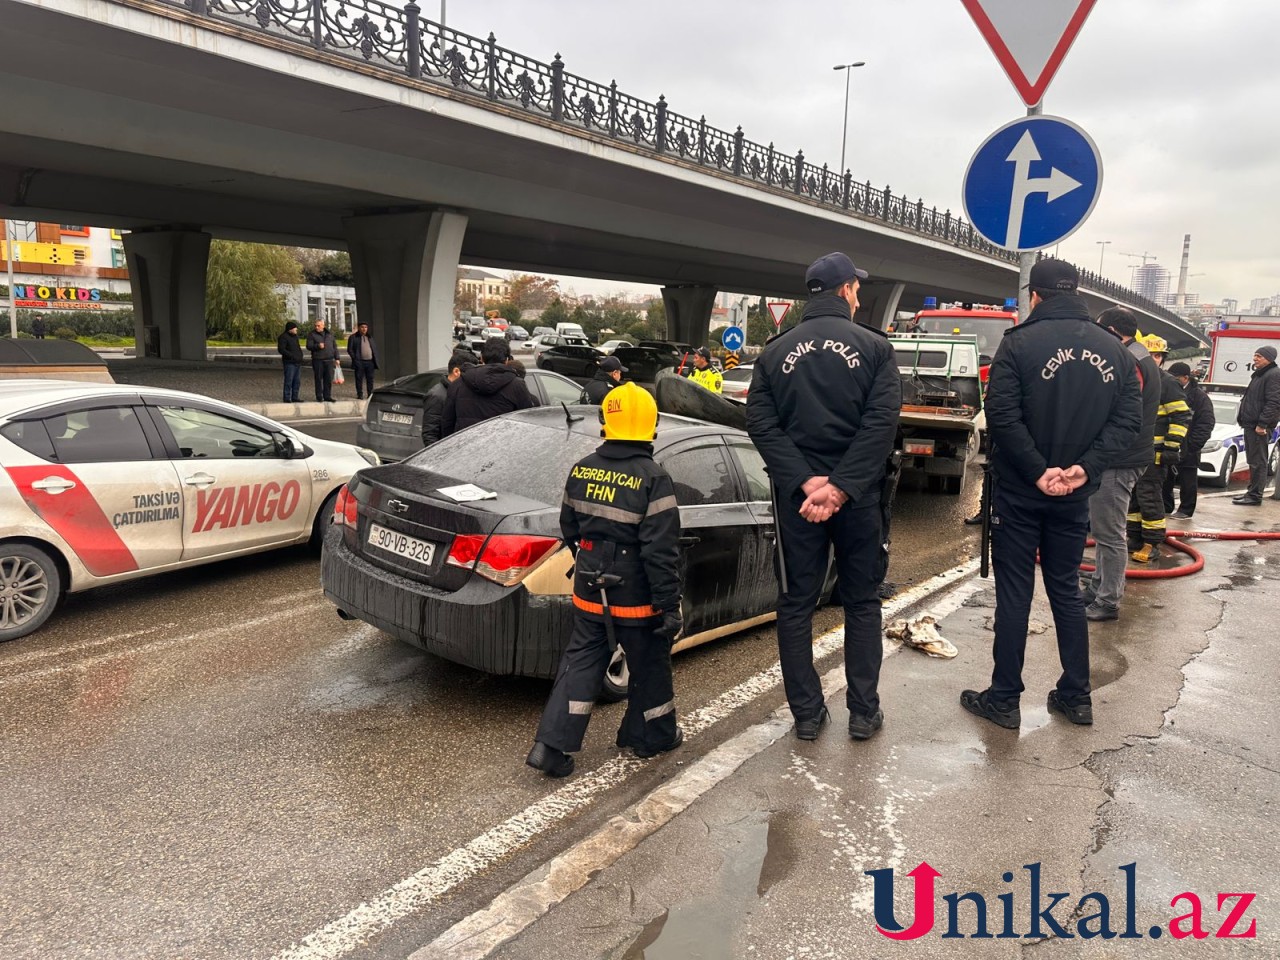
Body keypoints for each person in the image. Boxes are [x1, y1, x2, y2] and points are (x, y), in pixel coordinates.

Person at [961, 258, 1141, 730]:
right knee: (1064, 590)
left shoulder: (1018, 345)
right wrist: (1084, 469)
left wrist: (1039, 471)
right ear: (1075, 291)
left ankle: (1003, 699)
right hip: (1074, 496)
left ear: (1034, 296)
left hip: (1021, 491)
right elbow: (1126, 424)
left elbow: (1001, 416)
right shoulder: (1117, 352)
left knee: (1015, 593)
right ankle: (1076, 696)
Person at [747, 252, 901, 742]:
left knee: (796, 604)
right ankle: (863, 712)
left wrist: (806, 482)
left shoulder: (774, 353)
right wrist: (840, 487)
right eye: (857, 287)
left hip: (798, 500)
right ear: (847, 291)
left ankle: (807, 716)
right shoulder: (875, 349)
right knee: (860, 603)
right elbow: (880, 426)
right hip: (857, 499)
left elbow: (761, 424)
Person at [527, 382, 683, 777]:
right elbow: (660, 552)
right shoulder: (653, 478)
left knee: (580, 663)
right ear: (651, 426)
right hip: (636, 594)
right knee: (649, 663)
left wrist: (590, 557)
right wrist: (668, 605)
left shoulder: (582, 468)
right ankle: (650, 736)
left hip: (589, 587)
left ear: (606, 423)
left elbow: (569, 527)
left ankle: (551, 746)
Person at [1078, 307, 1160, 621]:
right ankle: (1098, 587)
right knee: (1103, 529)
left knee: (1110, 532)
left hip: (1119, 458)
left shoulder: (1129, 361)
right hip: (1124, 455)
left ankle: (1108, 600)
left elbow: (1119, 410)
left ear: (1112, 330)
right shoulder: (1137, 355)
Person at [1126, 335, 1190, 562]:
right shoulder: (1134, 378)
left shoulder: (1168, 383)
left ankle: (1152, 543)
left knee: (1149, 497)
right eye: (1149, 354)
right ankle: (1134, 537)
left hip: (1156, 455)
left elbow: (1181, 416)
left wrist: (1172, 447)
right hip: (1134, 453)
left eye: (1157, 355)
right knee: (1133, 498)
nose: (1153, 359)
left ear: (1162, 359)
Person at [441, 336, 536, 435]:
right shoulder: (517, 385)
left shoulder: (458, 384)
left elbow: (447, 424)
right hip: (502, 447)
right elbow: (527, 424)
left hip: (465, 447)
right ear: (507, 360)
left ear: (481, 358)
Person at [1163, 362, 1214, 519]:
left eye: (1176, 377)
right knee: (1165, 479)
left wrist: (1191, 446)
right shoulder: (1168, 391)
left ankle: (1186, 509)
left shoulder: (1200, 398)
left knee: (1188, 480)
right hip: (1169, 444)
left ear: (1186, 378)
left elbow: (1206, 424)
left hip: (1189, 447)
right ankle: (1166, 507)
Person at [1233, 344, 1280, 506]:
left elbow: (1273, 402)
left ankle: (1254, 496)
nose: (1255, 359)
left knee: (1258, 461)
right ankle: (1251, 492)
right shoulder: (1260, 375)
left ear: (1269, 358)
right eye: (1255, 355)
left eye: (1259, 356)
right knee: (1253, 460)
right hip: (1251, 424)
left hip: (1258, 427)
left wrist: (1262, 424)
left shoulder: (1273, 375)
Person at [422, 353, 474, 445]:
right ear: (456, 371)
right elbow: (430, 433)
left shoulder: (460, 391)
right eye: (469, 373)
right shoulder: (437, 395)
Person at [305, 318, 338, 402]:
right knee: (318, 379)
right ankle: (319, 396)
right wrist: (317, 346)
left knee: (328, 379)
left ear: (323, 325)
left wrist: (337, 358)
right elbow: (308, 346)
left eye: (318, 326)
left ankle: (327, 396)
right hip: (318, 360)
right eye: (315, 326)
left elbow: (335, 347)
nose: (316, 327)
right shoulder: (312, 334)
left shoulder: (329, 334)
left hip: (329, 360)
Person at [346, 322, 379, 401]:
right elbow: (350, 349)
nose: (364, 329)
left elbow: (374, 348)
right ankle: (360, 394)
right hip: (359, 362)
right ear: (359, 328)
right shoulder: (353, 337)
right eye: (362, 327)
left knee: (370, 379)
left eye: (366, 327)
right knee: (359, 379)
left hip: (370, 362)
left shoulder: (370, 337)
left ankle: (370, 394)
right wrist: (355, 358)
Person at [276, 321, 304, 403]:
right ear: (290, 329)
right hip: (289, 362)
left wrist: (300, 355)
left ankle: (295, 396)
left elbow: (297, 347)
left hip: (297, 362)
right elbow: (281, 349)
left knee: (297, 381)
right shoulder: (283, 337)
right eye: (295, 328)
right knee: (289, 380)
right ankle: (287, 397)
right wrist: (291, 355)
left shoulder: (295, 337)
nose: (296, 330)